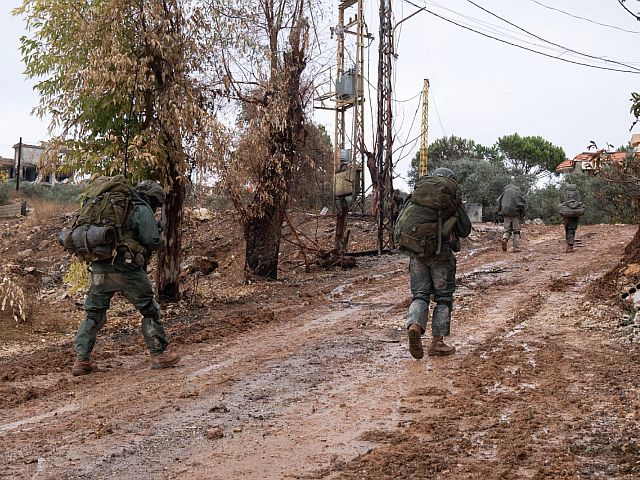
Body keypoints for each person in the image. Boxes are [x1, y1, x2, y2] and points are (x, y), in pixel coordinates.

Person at [71, 180, 180, 376]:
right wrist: (158, 233)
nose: (155, 207)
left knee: (94, 313)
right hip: (127, 269)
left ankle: (82, 360)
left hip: (99, 267)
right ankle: (158, 354)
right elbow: (151, 240)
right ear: (151, 198)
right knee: (149, 309)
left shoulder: (111, 207)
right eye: (156, 203)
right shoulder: (140, 208)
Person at [406, 167, 472, 359]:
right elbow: (465, 229)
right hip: (441, 256)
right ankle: (437, 343)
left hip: (417, 254)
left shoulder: (416, 196)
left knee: (420, 295)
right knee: (443, 298)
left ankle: (415, 326)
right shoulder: (451, 201)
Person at [497, 182, 527, 253]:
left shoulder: (504, 193)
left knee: (507, 230)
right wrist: (522, 214)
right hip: (515, 214)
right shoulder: (517, 193)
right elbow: (523, 204)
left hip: (506, 214)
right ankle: (516, 247)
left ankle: (504, 239)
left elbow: (499, 202)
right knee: (516, 231)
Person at [559, 183, 584, 253]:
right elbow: (580, 202)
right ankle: (570, 246)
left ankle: (569, 244)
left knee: (567, 229)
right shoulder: (578, 193)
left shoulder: (565, 193)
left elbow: (561, 203)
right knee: (572, 229)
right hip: (575, 214)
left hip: (566, 215)